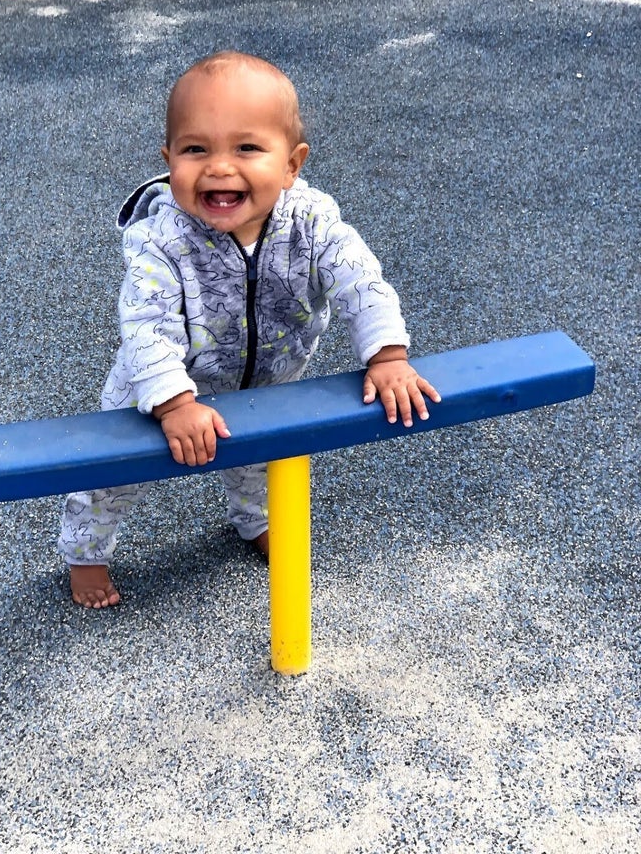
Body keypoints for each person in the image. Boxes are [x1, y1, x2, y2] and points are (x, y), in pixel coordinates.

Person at [60, 50, 441, 609]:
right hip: (162, 380)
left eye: (247, 148)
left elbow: (362, 280)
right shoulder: (160, 240)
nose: (218, 166)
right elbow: (145, 326)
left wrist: (386, 354)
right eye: (196, 149)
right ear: (169, 161)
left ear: (292, 164)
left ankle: (255, 523)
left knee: (264, 464)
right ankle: (85, 553)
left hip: (270, 379)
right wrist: (173, 404)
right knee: (110, 472)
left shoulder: (311, 222)